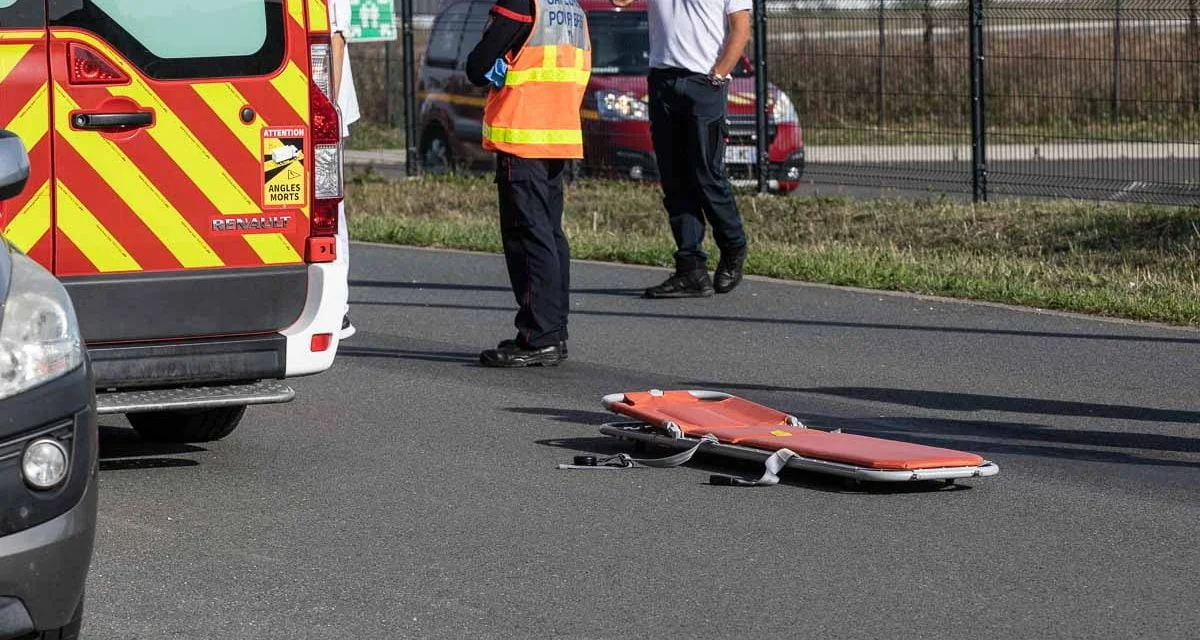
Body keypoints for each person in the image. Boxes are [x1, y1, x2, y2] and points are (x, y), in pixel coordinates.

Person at [465, 0, 591, 367]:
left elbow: (477, 66)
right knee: (550, 236)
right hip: (557, 132)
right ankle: (553, 331)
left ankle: (539, 337)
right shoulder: (571, 8)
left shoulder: (520, 4)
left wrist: (494, 68)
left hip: (522, 134)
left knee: (529, 238)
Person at [613, 0, 752, 298]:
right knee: (674, 180)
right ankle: (690, 269)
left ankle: (733, 244)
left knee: (706, 173)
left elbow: (740, 29)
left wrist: (718, 74)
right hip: (663, 80)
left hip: (705, 82)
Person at [330, 0, 361, 339]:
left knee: (328, 211)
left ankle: (337, 308)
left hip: (318, 114)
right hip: (293, 108)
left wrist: (325, 112)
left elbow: (336, 40)